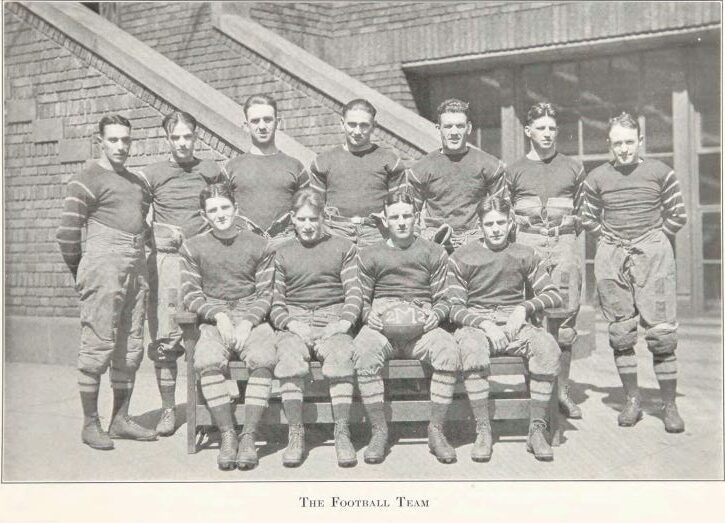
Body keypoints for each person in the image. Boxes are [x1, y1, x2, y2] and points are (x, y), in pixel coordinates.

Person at [581, 112, 687, 433]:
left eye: (629, 142)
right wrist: (609, 240)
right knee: (621, 331)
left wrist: (652, 241)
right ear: (609, 145)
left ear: (641, 141)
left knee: (662, 332)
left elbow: (678, 214)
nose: (624, 149)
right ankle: (632, 401)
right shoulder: (596, 177)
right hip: (612, 253)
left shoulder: (660, 172)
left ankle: (669, 406)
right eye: (617, 144)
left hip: (652, 253)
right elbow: (587, 217)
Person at [56, 114, 157, 450]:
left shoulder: (137, 182)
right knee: (98, 343)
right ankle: (90, 423)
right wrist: (83, 273)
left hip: (135, 263)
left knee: (130, 345)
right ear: (99, 140)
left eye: (126, 140)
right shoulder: (85, 178)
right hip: (103, 264)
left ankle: (120, 419)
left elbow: (141, 223)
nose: (121, 147)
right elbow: (68, 234)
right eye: (113, 140)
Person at [448, 195, 563, 461]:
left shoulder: (525, 253)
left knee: (547, 347)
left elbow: (553, 294)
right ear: (480, 226)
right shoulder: (463, 257)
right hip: (477, 324)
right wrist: (485, 323)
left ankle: (536, 429)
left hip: (515, 322)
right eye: (490, 224)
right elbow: (453, 307)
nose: (496, 229)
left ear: (511, 223)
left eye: (501, 222)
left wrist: (524, 308)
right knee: (472, 349)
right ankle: (483, 429)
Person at [353, 189, 460, 464]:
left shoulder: (433, 251)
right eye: (395, 217)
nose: (401, 222)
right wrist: (367, 315)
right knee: (364, 350)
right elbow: (360, 298)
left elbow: (444, 298)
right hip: (382, 323)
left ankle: (436, 429)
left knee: (447, 348)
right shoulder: (369, 254)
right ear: (385, 220)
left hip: (421, 323)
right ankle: (378, 430)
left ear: (416, 218)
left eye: (406, 216)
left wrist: (437, 314)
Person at [140, 111, 228, 436]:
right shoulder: (153, 174)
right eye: (175, 137)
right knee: (167, 335)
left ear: (196, 136)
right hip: (169, 264)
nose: (182, 143)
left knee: (207, 332)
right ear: (167, 139)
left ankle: (208, 409)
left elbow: (226, 209)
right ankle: (167, 409)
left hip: (205, 260)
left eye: (187, 136)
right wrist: (157, 235)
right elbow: (137, 215)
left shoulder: (211, 170)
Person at [180, 183, 276, 470]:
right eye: (213, 210)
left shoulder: (259, 244)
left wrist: (248, 321)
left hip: (251, 314)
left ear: (236, 208)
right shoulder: (192, 246)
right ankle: (227, 435)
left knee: (263, 358)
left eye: (225, 207)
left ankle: (248, 436)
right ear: (204, 214)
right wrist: (218, 315)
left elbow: (267, 293)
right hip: (214, 317)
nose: (220, 214)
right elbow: (191, 292)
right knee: (207, 359)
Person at [270, 188, 363, 468]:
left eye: (313, 219)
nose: (308, 225)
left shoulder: (343, 247)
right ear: (292, 220)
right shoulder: (281, 252)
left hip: (332, 317)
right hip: (296, 320)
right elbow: (275, 302)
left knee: (341, 354)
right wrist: (292, 324)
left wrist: (342, 324)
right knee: (287, 356)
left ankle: (342, 430)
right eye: (302, 219)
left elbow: (354, 294)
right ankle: (295, 431)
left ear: (322, 218)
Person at [507, 102, 587, 419]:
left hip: (564, 243)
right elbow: (502, 212)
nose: (547, 134)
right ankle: (536, 393)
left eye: (552, 128)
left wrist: (565, 236)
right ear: (528, 131)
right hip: (528, 245)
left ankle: (562, 392)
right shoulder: (512, 171)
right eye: (540, 128)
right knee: (532, 320)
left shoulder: (573, 167)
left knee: (564, 322)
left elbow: (584, 211)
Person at [407, 98, 507, 251]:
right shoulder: (421, 169)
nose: (454, 132)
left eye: (459, 126)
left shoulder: (489, 165)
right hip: (436, 243)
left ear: (468, 128)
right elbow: (410, 214)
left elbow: (503, 211)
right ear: (438, 128)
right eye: (448, 126)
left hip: (475, 243)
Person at [309, 98, 406, 246]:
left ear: (374, 126)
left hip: (377, 232)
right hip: (336, 231)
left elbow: (400, 205)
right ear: (342, 124)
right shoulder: (323, 161)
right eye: (352, 124)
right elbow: (315, 207)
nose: (357, 131)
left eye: (364, 125)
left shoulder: (391, 161)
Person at [226, 94, 309, 245]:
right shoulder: (231, 168)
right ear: (246, 125)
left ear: (278, 123)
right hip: (244, 246)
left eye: (268, 120)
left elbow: (308, 214)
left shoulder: (295, 167)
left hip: (286, 247)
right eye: (255, 121)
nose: (262, 126)